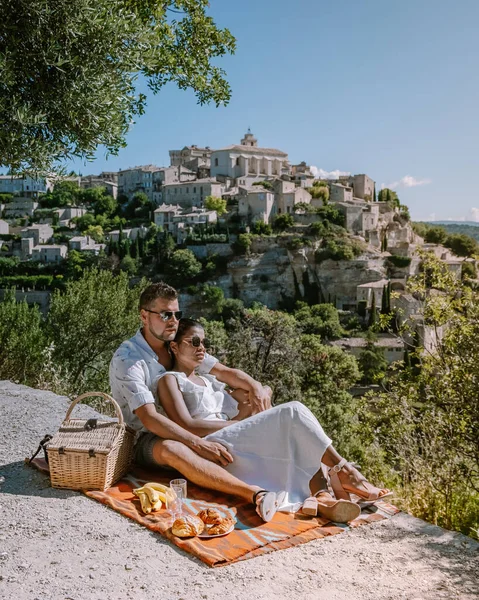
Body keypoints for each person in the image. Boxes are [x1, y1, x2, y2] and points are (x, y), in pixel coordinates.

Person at [157, 318, 392, 522]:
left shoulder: (209, 380)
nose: (202, 348)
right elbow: (185, 425)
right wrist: (239, 425)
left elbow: (248, 395)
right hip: (211, 445)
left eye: (204, 343)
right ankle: (345, 472)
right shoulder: (170, 380)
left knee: (292, 429)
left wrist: (262, 393)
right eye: (194, 342)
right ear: (175, 347)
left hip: (230, 436)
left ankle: (322, 496)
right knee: (293, 411)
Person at [110, 282, 284, 521]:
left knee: (251, 397)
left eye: (176, 314)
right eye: (165, 314)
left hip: (188, 425)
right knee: (174, 448)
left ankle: (293, 474)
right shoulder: (128, 358)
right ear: (144, 316)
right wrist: (195, 442)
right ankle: (255, 494)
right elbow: (149, 417)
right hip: (145, 437)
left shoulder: (177, 345)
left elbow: (225, 372)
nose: (173, 320)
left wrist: (256, 389)